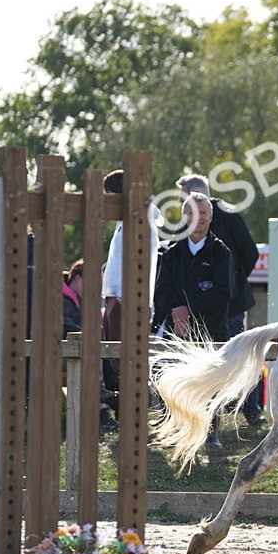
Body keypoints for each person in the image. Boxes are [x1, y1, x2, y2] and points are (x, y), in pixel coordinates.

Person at [176, 173, 263, 424]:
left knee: (241, 353)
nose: (180, 200)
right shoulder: (188, 219)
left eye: (182, 194)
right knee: (205, 355)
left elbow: (250, 252)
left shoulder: (227, 214)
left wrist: (233, 281)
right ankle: (206, 413)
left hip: (231, 303)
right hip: (202, 306)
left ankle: (252, 409)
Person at [153, 193, 235, 449]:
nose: (197, 219)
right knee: (174, 379)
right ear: (184, 216)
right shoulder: (171, 253)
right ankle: (174, 431)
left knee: (210, 381)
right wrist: (177, 313)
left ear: (211, 217)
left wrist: (188, 309)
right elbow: (161, 290)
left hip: (211, 330)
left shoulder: (221, 252)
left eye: (203, 214)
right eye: (191, 213)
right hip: (177, 331)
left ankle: (211, 434)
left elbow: (223, 292)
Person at [100, 170, 161, 412]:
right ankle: (130, 409)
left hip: (127, 298)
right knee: (118, 360)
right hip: (118, 296)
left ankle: (136, 410)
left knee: (126, 359)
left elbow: (137, 262)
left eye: (110, 196)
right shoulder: (126, 221)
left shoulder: (139, 220)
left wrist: (120, 299)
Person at [63, 259, 119, 431]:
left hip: (74, 351)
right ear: (78, 278)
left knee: (104, 355)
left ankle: (109, 403)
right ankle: (104, 410)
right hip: (60, 354)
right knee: (98, 355)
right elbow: (68, 325)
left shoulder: (75, 299)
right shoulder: (61, 297)